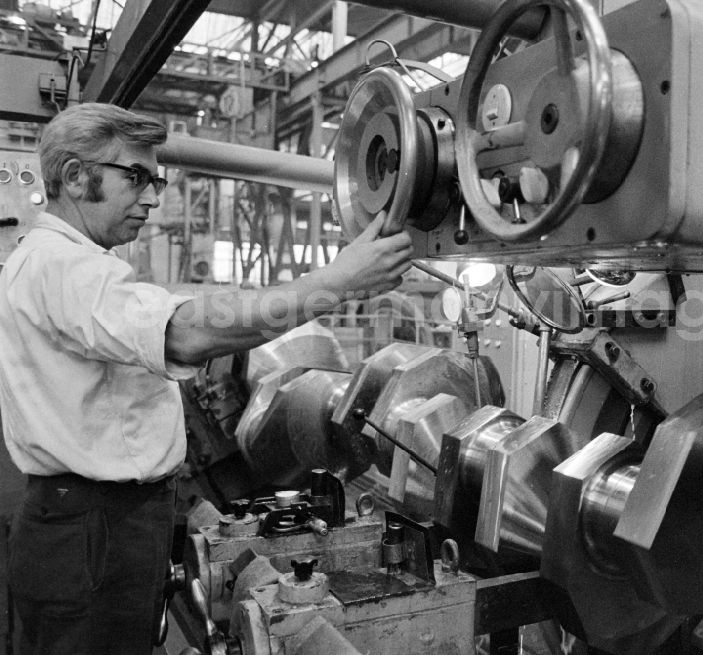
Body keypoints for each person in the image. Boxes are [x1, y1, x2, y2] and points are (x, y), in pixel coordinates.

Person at [0, 103, 412, 655]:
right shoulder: (62, 266)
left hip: (99, 522)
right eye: (136, 177)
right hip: (92, 530)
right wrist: (336, 281)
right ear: (75, 176)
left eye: (158, 180)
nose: (151, 197)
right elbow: (187, 334)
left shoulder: (64, 263)